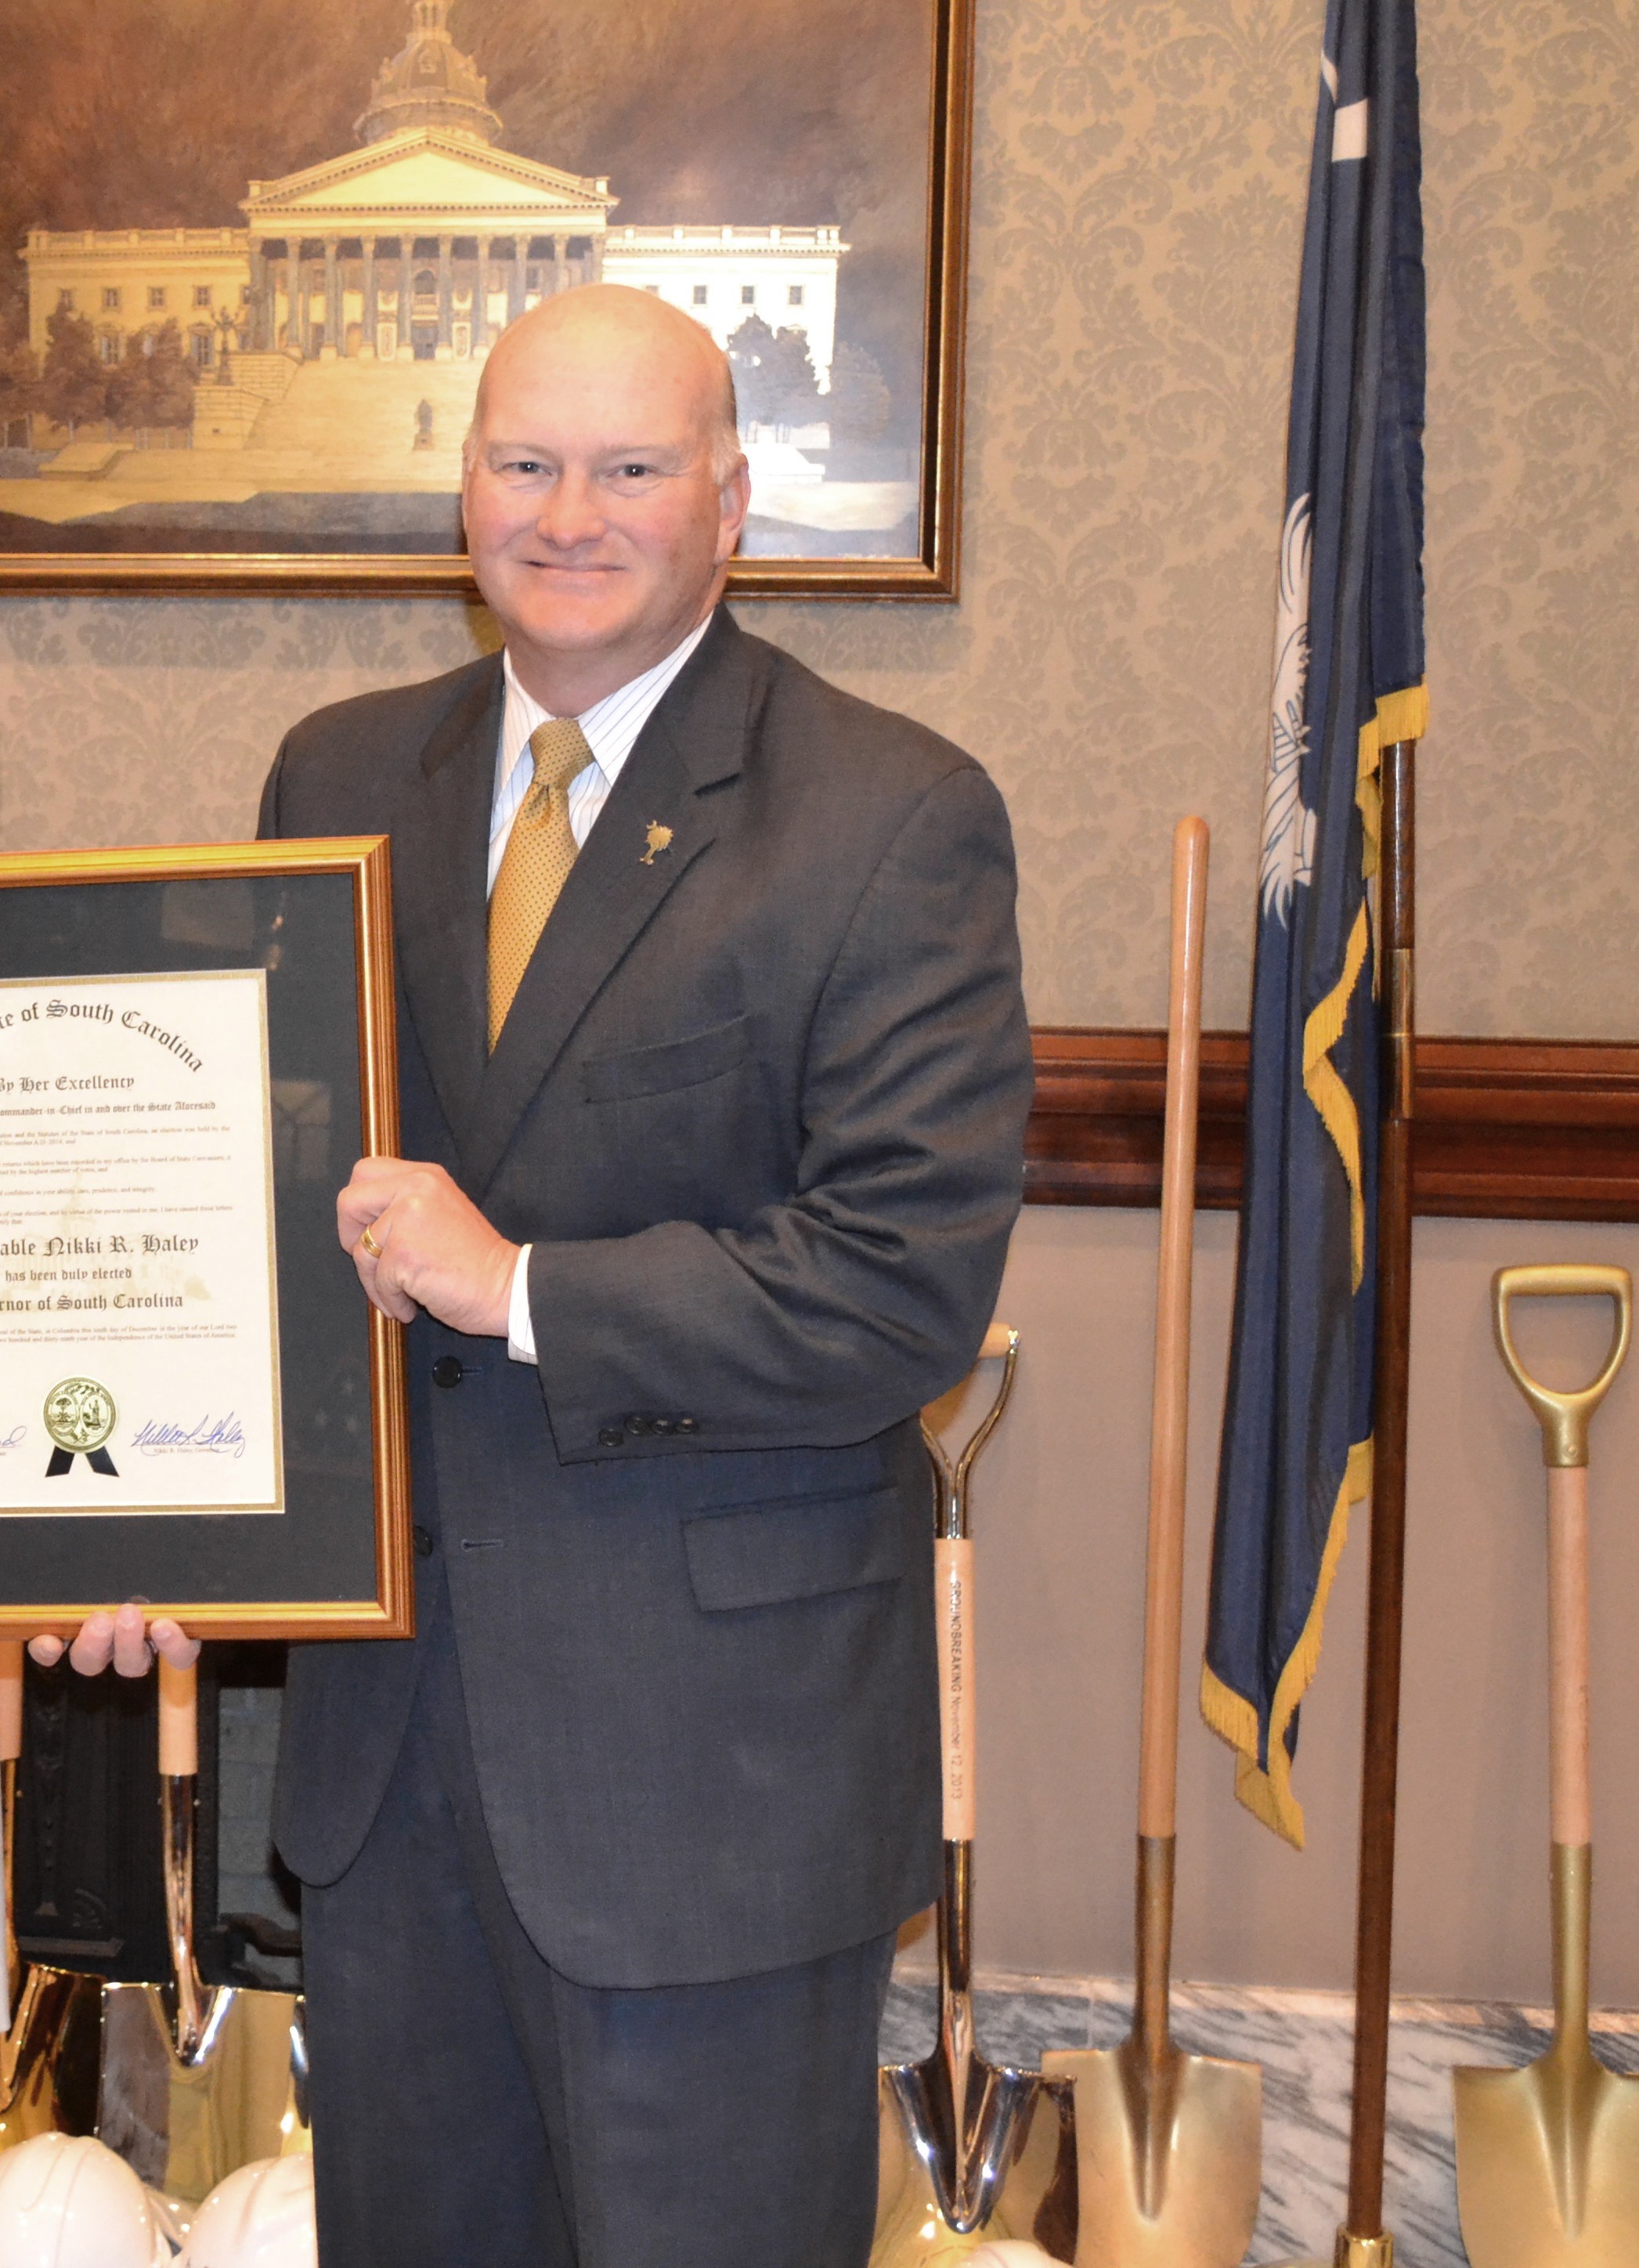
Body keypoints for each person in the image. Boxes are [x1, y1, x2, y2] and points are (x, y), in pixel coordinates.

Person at [254, 286, 1033, 2263]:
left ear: (731, 500)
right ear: (461, 497)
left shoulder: (890, 814)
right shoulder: (334, 776)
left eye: (629, 465)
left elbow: (893, 1285)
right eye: (524, 463)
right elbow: (267, 1223)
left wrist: (514, 1285)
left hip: (708, 1784)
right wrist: (139, 1523)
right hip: (385, 1764)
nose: (568, 512)